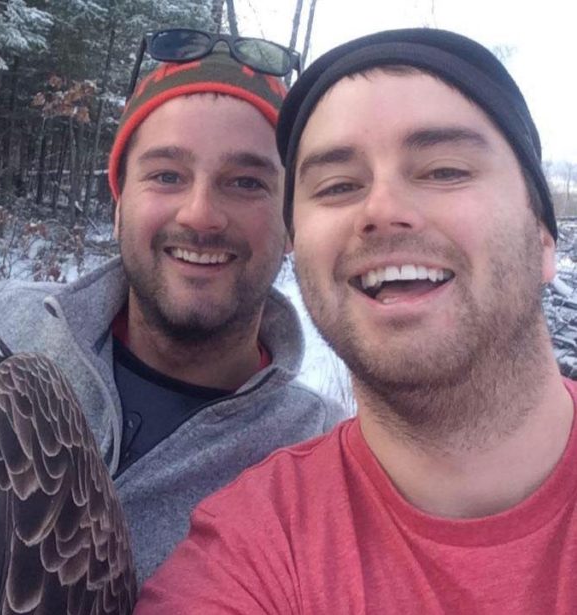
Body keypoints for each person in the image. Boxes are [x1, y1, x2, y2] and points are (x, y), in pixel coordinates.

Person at [134, 28, 577, 614]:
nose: (382, 210)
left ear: (544, 237)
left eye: (444, 170)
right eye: (339, 185)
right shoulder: (251, 550)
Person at [0, 28, 346, 582]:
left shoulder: (328, 469)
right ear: (119, 201)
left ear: (291, 220)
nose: (200, 215)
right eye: (167, 175)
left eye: (246, 182)